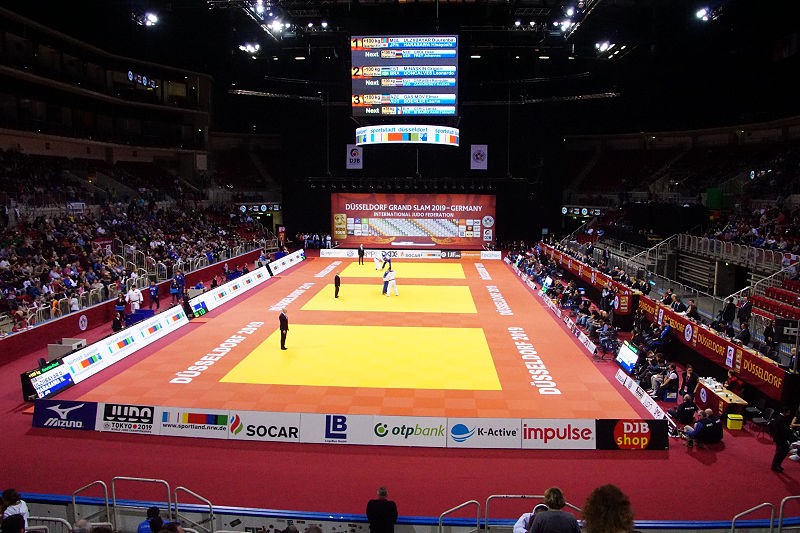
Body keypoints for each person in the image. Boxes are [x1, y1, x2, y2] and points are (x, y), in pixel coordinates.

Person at [770, 405, 793, 473]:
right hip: (780, 439)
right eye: (788, 412)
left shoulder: (780, 417)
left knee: (781, 452)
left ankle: (778, 465)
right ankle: (775, 466)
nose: (789, 414)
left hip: (780, 438)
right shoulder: (780, 419)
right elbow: (783, 430)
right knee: (780, 453)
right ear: (785, 412)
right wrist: (790, 430)